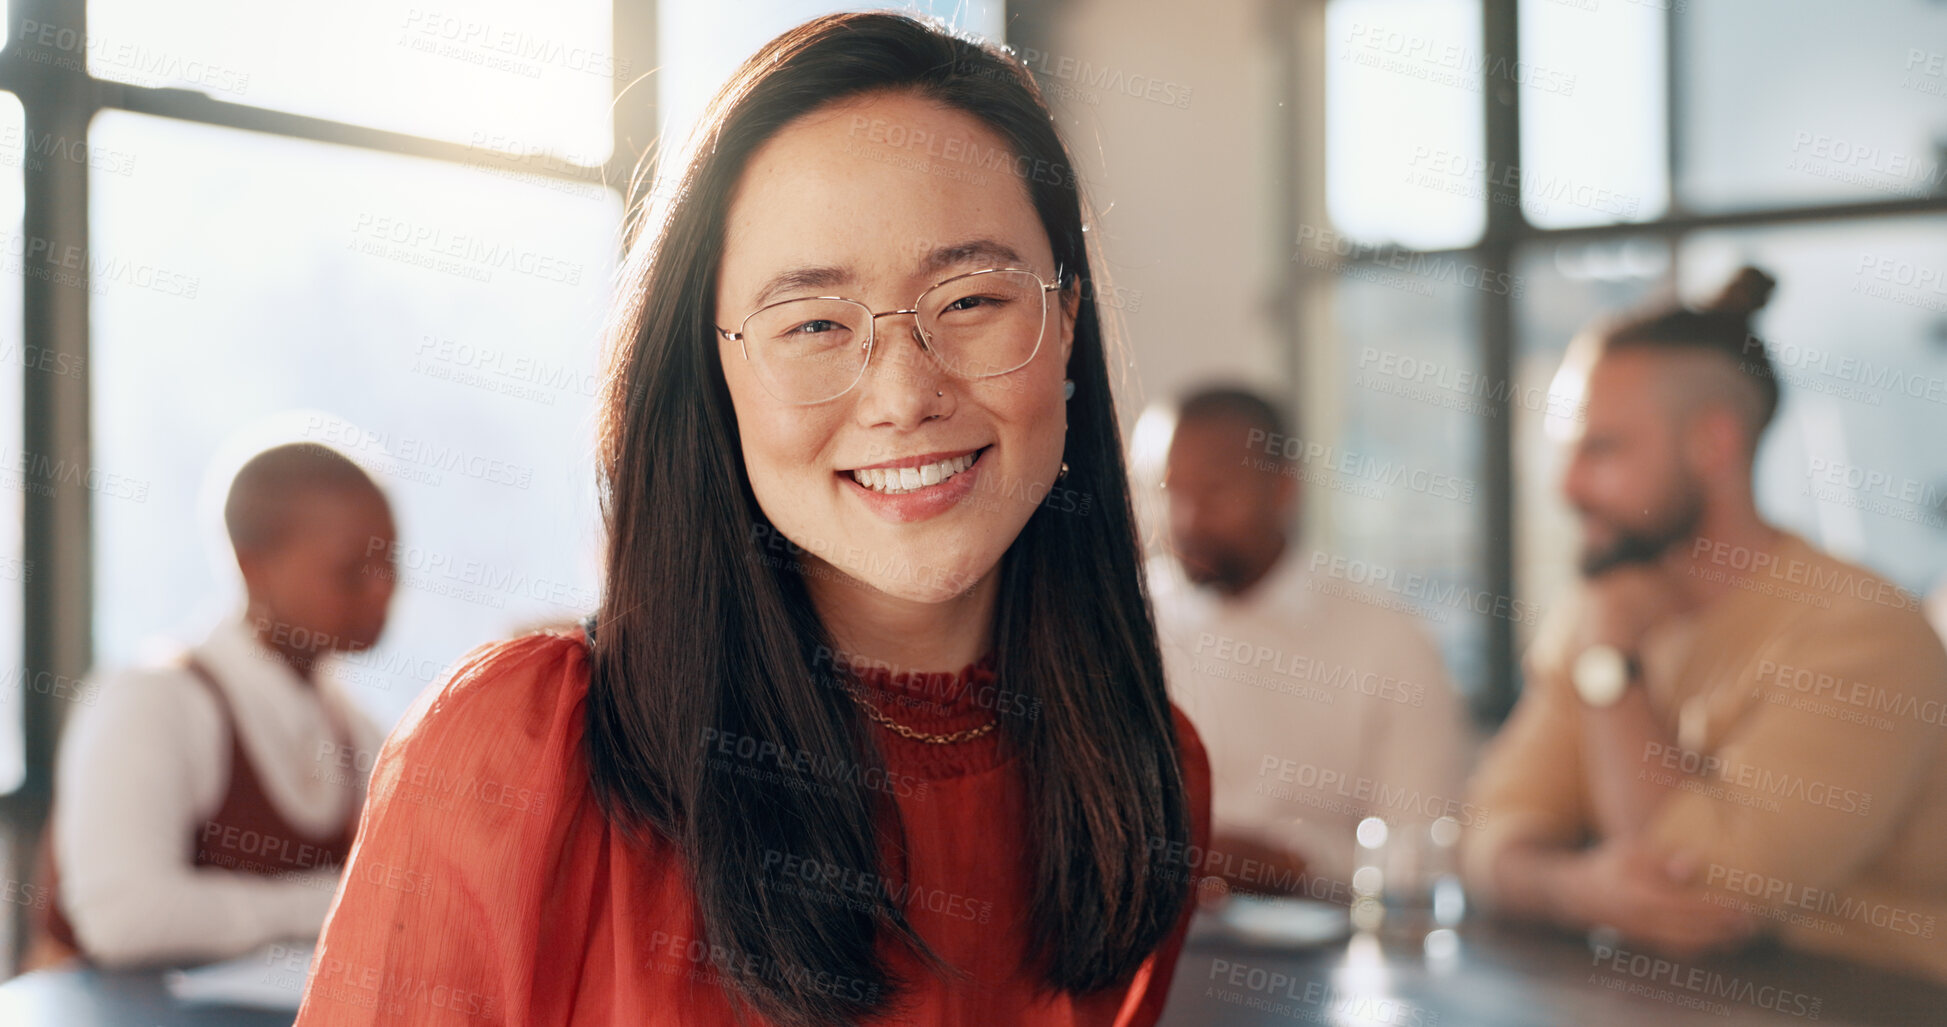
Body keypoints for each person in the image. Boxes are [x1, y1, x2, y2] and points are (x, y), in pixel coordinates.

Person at [295, 13, 1209, 1027]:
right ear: (714, 368)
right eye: (815, 322)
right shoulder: (521, 751)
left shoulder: (1136, 771)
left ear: (1066, 316)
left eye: (969, 300)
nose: (904, 395)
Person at [1463, 268, 1947, 982]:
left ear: (1712, 445)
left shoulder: (1865, 634)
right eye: (1566, 451)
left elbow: (1700, 900)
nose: (1566, 487)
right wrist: (1575, 890)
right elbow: (1486, 836)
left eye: (1600, 449)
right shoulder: (1602, 612)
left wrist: (1611, 671)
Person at [35, 442, 392, 968]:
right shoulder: (151, 700)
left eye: (391, 563)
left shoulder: (353, 726)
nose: (384, 592)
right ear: (255, 568)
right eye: (352, 571)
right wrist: (326, 901)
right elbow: (122, 918)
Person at [1147, 387, 1473, 899]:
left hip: (1328, 963)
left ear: (1282, 490)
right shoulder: (1128, 624)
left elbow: (1425, 854)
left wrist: (1286, 864)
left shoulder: (1388, 642)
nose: (1187, 520)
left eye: (1214, 492)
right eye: (1169, 490)